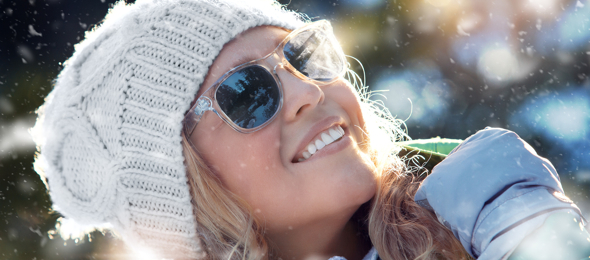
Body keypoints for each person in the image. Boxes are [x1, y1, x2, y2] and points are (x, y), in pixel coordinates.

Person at [30, 0, 589, 259]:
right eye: (247, 91)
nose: (306, 93)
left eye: (306, 59)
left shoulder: (478, 204)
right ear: (180, 184)